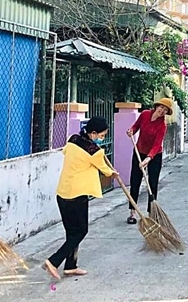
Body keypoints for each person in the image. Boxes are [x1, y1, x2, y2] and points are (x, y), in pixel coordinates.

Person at [43, 116, 118, 280]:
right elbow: (106, 171)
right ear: (93, 133)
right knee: (81, 231)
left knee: (72, 233)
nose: (102, 138)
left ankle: (70, 266)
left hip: (63, 194)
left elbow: (66, 152)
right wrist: (113, 173)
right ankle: (53, 261)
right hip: (77, 196)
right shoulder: (95, 151)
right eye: (101, 135)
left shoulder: (73, 139)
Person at [125, 98, 173, 224]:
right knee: (135, 181)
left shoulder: (162, 125)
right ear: (157, 106)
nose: (162, 111)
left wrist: (148, 158)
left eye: (165, 110)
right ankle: (132, 212)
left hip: (155, 156)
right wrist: (131, 131)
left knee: (152, 184)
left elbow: (157, 145)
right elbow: (135, 127)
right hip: (139, 151)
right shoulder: (145, 114)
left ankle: (152, 213)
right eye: (161, 107)